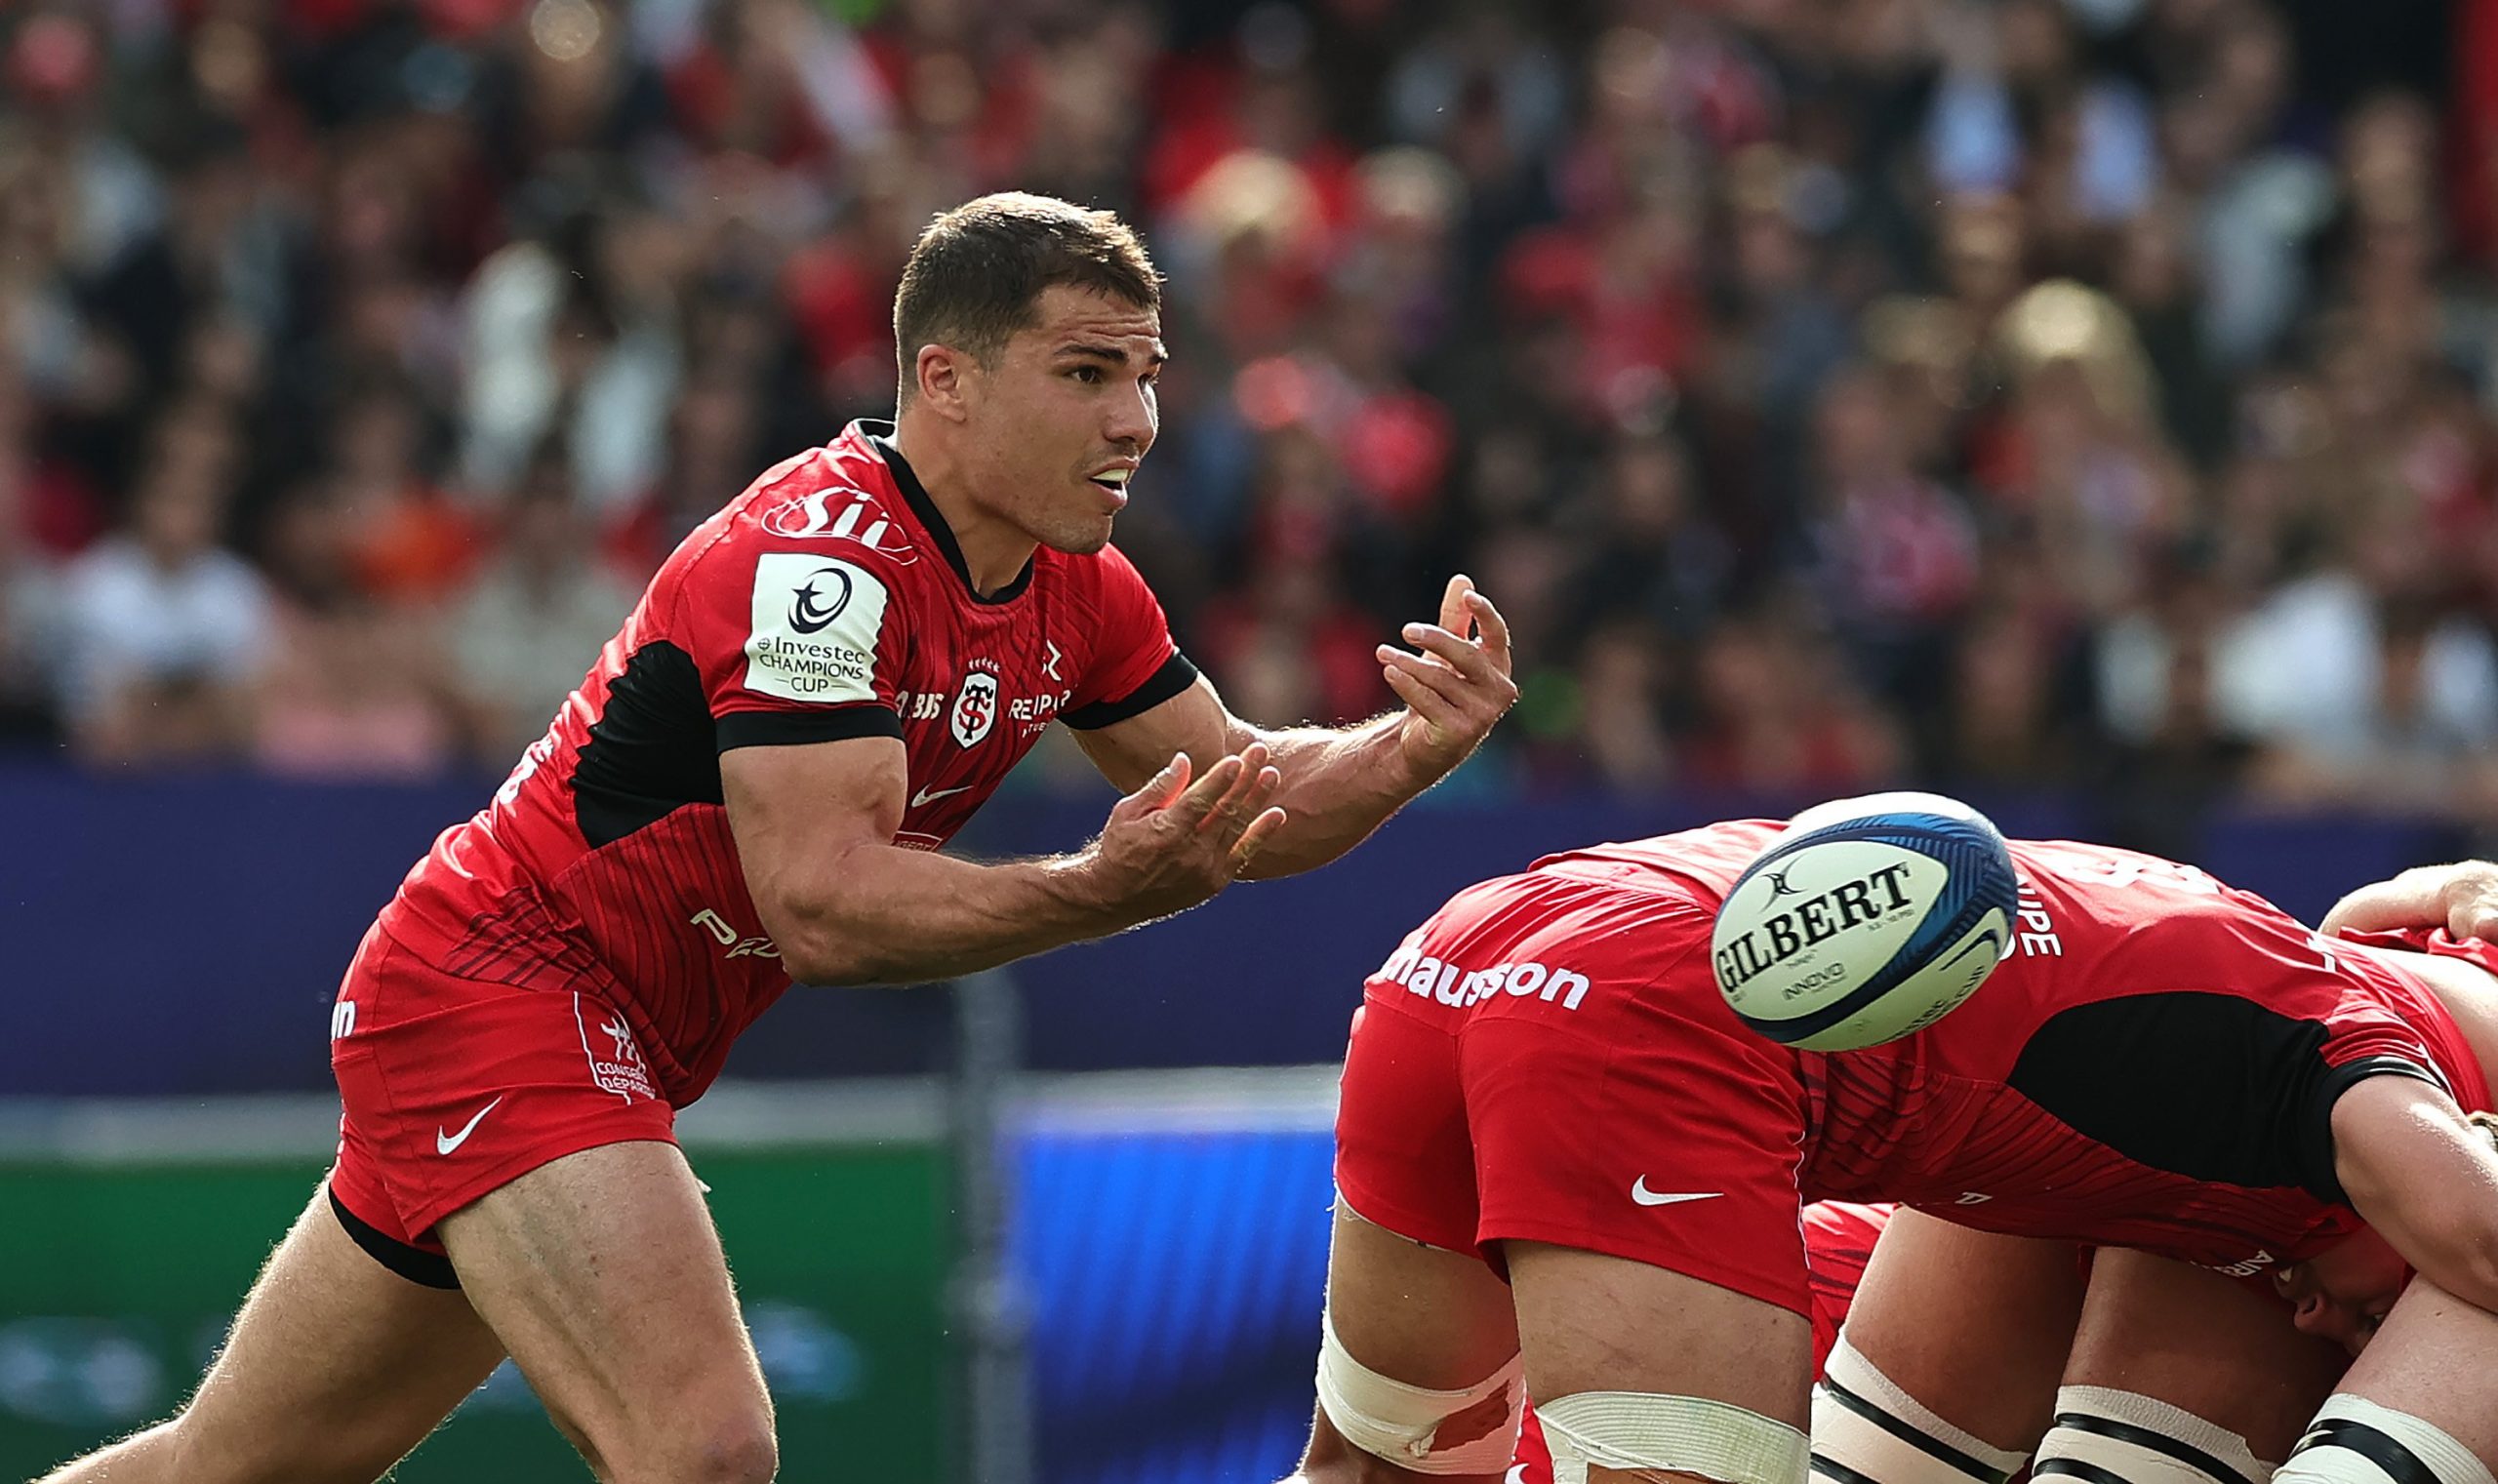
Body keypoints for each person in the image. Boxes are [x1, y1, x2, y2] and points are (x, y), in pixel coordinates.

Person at [40, 193, 1517, 1484]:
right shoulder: (817, 570)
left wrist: (1407, 750)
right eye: (1086, 375)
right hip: (504, 990)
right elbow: (821, 909)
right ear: (945, 377)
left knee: (238, 1469)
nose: (1134, 419)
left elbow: (1243, 795)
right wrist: (1092, 891)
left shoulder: (1085, 589)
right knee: (704, 1450)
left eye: (1143, 375)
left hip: (572, 1022)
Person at [1288, 809, 2498, 1484]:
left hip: (1469, 948)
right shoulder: (2350, 1064)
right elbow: (2475, 1237)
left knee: (1370, 1477)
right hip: (1642, 1023)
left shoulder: (2269, 1018)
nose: (2325, 1327)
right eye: (2380, 1316)